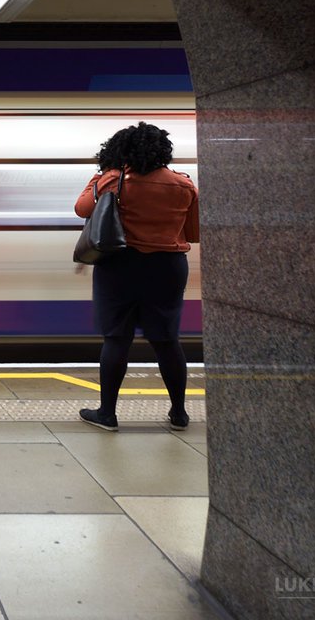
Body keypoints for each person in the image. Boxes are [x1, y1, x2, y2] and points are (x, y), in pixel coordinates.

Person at [74, 122, 199, 432]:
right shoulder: (184, 185)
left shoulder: (113, 181)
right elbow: (193, 233)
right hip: (168, 268)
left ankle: (108, 414)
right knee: (167, 340)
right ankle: (179, 413)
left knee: (117, 338)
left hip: (120, 266)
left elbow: (81, 209)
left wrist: (103, 172)